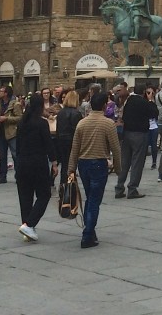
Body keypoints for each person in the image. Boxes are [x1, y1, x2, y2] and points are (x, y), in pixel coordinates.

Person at [69, 92, 122, 249]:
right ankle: (87, 234)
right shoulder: (107, 123)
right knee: (94, 201)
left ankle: (90, 232)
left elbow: (75, 148)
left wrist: (71, 168)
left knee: (89, 197)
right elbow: (116, 148)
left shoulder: (82, 123)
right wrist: (118, 168)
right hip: (99, 163)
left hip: (83, 164)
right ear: (105, 106)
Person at [15, 92, 58, 242]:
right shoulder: (41, 123)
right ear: (40, 107)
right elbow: (48, 144)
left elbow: (18, 145)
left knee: (25, 197)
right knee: (44, 194)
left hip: (22, 162)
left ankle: (27, 226)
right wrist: (54, 162)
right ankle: (30, 224)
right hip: (37, 163)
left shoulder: (22, 122)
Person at [114, 84, 155, 199]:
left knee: (125, 161)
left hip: (127, 133)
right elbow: (153, 113)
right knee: (137, 162)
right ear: (144, 92)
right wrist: (151, 100)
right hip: (140, 134)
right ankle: (132, 188)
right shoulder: (143, 102)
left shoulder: (128, 101)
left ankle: (119, 187)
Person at [0, 86, 22, 184]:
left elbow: (20, 118)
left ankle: (19, 175)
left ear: (6, 93)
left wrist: (7, 119)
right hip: (1, 132)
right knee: (2, 156)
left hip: (11, 132)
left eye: (1, 91)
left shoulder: (15, 104)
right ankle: (2, 176)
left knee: (15, 154)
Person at [53, 91, 82, 187]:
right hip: (72, 141)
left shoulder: (61, 112)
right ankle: (69, 186)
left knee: (65, 165)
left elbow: (58, 128)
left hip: (61, 140)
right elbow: (77, 130)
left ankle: (63, 184)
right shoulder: (76, 113)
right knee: (71, 165)